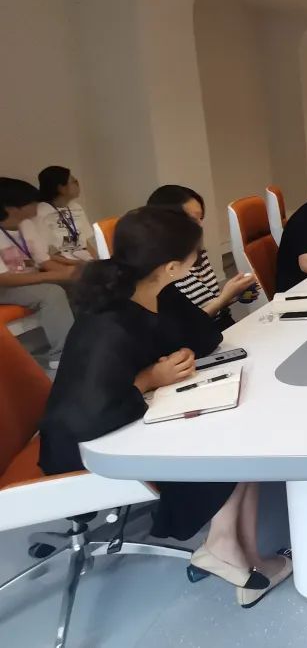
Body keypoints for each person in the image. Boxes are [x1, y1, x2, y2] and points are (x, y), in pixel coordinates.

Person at [37, 206, 291, 606]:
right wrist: (149, 379)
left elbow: (204, 338)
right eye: (195, 254)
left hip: (127, 414)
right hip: (84, 445)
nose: (199, 259)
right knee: (230, 439)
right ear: (172, 266)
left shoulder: (158, 291)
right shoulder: (108, 321)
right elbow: (86, 416)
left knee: (242, 422)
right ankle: (226, 548)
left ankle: (232, 548)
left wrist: (182, 351)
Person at [146, 185, 258, 331]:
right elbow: (186, 328)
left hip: (223, 329)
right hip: (200, 338)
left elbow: (208, 303)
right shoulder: (160, 271)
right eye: (192, 219)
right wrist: (223, 298)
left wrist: (237, 294)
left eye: (200, 218)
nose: (199, 226)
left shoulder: (196, 253)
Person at [0, 177, 75, 367]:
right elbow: (4, 279)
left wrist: (72, 274)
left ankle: (85, 338)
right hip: (5, 286)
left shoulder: (26, 224)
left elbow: (44, 260)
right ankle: (63, 355)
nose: (37, 205)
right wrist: (56, 276)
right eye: (31, 202)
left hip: (31, 277)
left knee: (80, 283)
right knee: (51, 292)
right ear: (11, 208)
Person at [34, 166, 97, 262]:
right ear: (61, 188)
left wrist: (99, 262)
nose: (78, 185)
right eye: (74, 182)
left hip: (84, 261)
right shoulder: (40, 212)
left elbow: (84, 242)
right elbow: (46, 254)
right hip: (63, 264)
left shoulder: (76, 207)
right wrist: (77, 264)